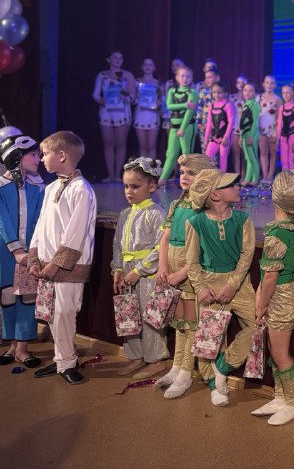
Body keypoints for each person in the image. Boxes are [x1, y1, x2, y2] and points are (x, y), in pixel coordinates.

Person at [28, 131, 97, 385]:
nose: (41, 159)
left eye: (45, 154)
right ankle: (62, 360)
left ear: (62, 155)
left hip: (68, 267)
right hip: (46, 264)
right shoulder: (51, 188)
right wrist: (34, 259)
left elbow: (76, 233)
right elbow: (40, 226)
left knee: (66, 311)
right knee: (52, 313)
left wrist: (56, 264)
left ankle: (67, 362)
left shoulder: (82, 190)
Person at [185, 168, 256, 407]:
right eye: (230, 185)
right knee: (209, 336)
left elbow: (247, 255)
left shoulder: (243, 219)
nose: (237, 187)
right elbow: (192, 261)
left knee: (258, 325)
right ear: (214, 195)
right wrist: (200, 288)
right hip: (210, 284)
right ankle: (214, 385)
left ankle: (223, 367)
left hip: (239, 283)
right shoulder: (196, 223)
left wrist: (233, 284)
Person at [154, 153, 215, 398]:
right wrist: (162, 266)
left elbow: (203, 248)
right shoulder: (176, 204)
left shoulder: (204, 207)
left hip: (190, 270)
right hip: (172, 267)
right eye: (182, 173)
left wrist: (182, 272)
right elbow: (166, 238)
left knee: (191, 323)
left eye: (191, 173)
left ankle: (186, 373)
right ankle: (176, 366)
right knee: (179, 323)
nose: (184, 177)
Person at [251, 170, 294, 425]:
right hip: (281, 295)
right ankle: (280, 396)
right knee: (275, 349)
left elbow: (270, 277)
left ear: (275, 196)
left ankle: (293, 401)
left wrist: (261, 304)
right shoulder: (287, 228)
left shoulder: (277, 234)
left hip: (281, 297)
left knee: (280, 352)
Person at [111, 157, 168, 379]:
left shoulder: (156, 213)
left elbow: (160, 248)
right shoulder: (125, 213)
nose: (129, 191)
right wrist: (117, 269)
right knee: (129, 312)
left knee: (148, 315)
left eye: (135, 186)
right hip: (128, 271)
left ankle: (156, 359)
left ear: (151, 186)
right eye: (126, 186)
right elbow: (117, 244)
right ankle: (136, 356)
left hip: (147, 274)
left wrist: (139, 270)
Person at [0, 135, 44, 368]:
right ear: (17, 157)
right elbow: (3, 221)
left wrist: (33, 250)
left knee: (28, 297)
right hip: (5, 253)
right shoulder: (0, 186)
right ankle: (12, 344)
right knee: (7, 296)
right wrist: (15, 248)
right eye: (33, 155)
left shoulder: (38, 188)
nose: (38, 159)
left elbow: (39, 220)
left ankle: (23, 348)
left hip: (30, 253)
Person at [92, 51, 137, 182]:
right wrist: (100, 99)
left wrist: (125, 98)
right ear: (109, 59)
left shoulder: (128, 75)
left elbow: (133, 97)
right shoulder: (102, 75)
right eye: (115, 58)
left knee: (120, 144)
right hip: (106, 112)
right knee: (108, 144)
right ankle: (110, 175)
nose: (118, 60)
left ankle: (118, 175)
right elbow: (95, 94)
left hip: (122, 112)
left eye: (120, 58)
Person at [159, 66, 199, 185]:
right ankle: (162, 179)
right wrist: (184, 105)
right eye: (182, 76)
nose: (185, 79)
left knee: (187, 154)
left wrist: (182, 128)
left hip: (187, 126)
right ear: (177, 77)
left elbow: (190, 112)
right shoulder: (172, 91)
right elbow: (169, 106)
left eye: (188, 76)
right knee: (171, 153)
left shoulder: (192, 93)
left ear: (192, 78)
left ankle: (188, 180)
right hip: (174, 126)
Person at [133, 58, 162, 161]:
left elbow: (161, 101)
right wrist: (136, 97)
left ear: (154, 68)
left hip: (153, 116)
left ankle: (151, 170)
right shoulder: (136, 82)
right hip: (140, 115)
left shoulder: (158, 83)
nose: (147, 67)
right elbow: (132, 100)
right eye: (145, 64)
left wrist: (159, 103)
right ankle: (144, 169)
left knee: (151, 146)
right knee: (142, 146)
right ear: (142, 67)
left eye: (150, 65)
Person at [203, 82, 235, 172]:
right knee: (207, 157)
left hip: (224, 137)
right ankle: (208, 176)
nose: (216, 95)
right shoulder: (211, 106)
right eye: (214, 92)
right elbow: (209, 123)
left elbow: (231, 122)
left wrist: (226, 137)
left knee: (223, 158)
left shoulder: (228, 105)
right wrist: (206, 138)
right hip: (214, 137)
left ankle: (222, 178)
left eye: (219, 92)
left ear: (225, 93)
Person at [258, 75, 281, 185]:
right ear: (263, 84)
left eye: (272, 83)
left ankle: (270, 176)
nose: (269, 85)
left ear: (275, 85)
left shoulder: (277, 99)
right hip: (261, 130)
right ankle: (265, 175)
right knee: (263, 153)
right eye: (267, 82)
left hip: (272, 130)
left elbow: (278, 118)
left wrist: (276, 132)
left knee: (273, 154)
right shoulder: (259, 98)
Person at [195, 60, 220, 153]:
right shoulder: (203, 91)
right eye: (206, 78)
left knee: (215, 153)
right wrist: (198, 123)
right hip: (204, 126)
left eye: (210, 77)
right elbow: (199, 108)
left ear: (217, 78)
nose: (207, 80)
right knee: (205, 150)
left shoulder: (220, 93)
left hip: (216, 127)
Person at [276, 84, 294, 172]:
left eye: (288, 92)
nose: (285, 95)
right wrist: (277, 138)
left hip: (292, 136)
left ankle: (292, 178)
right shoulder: (281, 108)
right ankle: (285, 178)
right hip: (283, 136)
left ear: (293, 93)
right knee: (283, 159)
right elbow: (280, 124)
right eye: (283, 93)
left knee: (291, 159)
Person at [239, 82, 261, 186]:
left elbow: (255, 122)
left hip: (251, 134)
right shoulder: (246, 104)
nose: (247, 93)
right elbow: (242, 122)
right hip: (245, 134)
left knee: (253, 157)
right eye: (245, 90)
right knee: (248, 158)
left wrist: (251, 136)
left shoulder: (255, 105)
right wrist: (241, 136)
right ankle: (248, 179)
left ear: (255, 93)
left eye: (251, 91)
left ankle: (255, 179)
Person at [231, 74, 248, 177]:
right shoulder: (231, 97)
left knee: (245, 154)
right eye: (238, 82)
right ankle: (237, 175)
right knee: (236, 153)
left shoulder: (250, 99)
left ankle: (244, 175)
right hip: (235, 128)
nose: (241, 84)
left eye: (243, 82)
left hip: (246, 130)